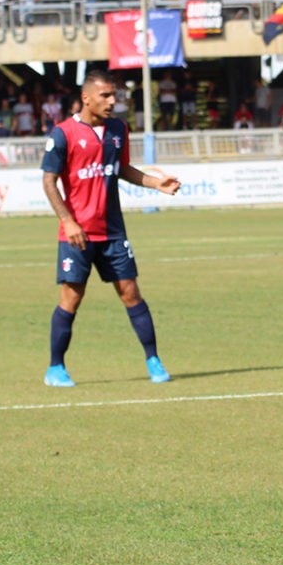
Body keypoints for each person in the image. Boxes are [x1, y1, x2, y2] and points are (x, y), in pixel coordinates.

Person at [40, 70, 180, 387]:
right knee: (71, 298)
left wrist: (155, 183)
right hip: (77, 234)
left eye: (114, 95)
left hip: (113, 232)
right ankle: (55, 368)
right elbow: (49, 182)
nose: (112, 101)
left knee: (131, 293)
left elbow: (123, 169)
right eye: (105, 95)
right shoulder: (63, 133)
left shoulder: (118, 129)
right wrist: (67, 221)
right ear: (86, 98)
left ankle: (154, 361)